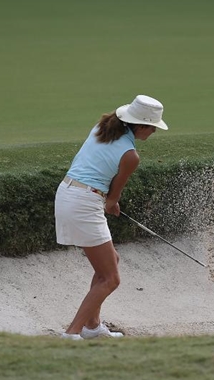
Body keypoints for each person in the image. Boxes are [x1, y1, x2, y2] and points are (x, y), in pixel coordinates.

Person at [54, 94, 168, 340]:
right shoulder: (130, 156)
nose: (154, 132)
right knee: (111, 278)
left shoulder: (101, 128)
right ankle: (72, 332)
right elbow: (112, 200)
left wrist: (109, 201)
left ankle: (93, 328)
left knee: (110, 262)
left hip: (68, 193)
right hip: (84, 203)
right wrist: (112, 202)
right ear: (140, 126)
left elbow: (106, 192)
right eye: (152, 127)